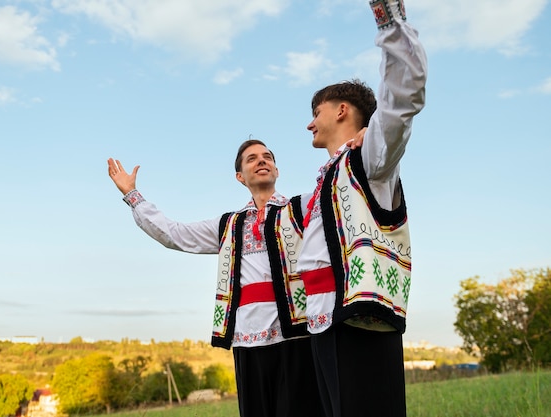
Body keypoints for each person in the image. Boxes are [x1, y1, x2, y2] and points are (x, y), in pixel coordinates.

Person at [108, 140, 329, 417]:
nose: (261, 161)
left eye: (267, 157)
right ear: (240, 176)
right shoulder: (229, 225)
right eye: (251, 159)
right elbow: (174, 234)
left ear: (276, 170)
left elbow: (336, 198)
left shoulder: (301, 209)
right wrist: (132, 194)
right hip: (247, 342)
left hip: (297, 338)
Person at [297, 1, 428, 416]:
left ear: (341, 110)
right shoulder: (325, 180)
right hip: (323, 322)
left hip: (361, 317)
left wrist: (388, 18)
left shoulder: (370, 158)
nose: (309, 124)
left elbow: (402, 100)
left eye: (315, 113)